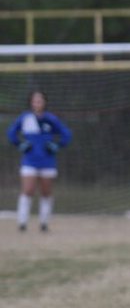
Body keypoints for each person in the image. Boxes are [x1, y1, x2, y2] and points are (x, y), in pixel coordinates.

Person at [7, 90, 71, 232]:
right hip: (30, 160)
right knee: (28, 190)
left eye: (40, 100)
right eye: (35, 100)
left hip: (47, 161)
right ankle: (22, 223)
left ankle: (44, 223)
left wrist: (57, 145)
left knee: (46, 192)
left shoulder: (51, 119)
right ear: (31, 102)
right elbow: (11, 133)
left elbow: (66, 134)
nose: (37, 103)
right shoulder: (25, 118)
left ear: (44, 102)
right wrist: (20, 144)